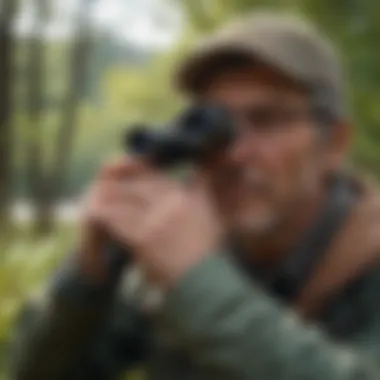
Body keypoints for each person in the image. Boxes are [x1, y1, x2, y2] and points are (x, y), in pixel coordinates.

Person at [8, 10, 380, 380]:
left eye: (267, 120)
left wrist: (195, 281)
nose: (234, 153)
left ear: (333, 144)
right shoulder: (174, 259)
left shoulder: (368, 257)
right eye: (217, 127)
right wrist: (86, 276)